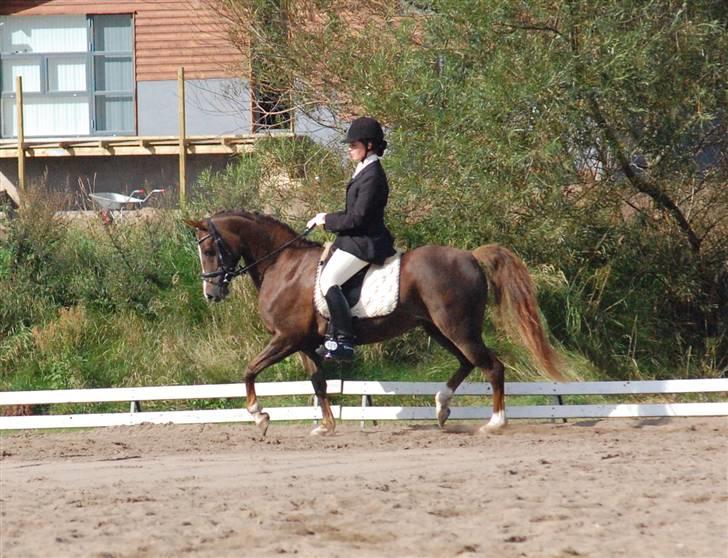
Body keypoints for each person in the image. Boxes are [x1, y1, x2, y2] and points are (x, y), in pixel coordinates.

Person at [307, 116, 396, 360]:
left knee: (329, 280)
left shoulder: (374, 176)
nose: (349, 148)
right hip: (355, 238)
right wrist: (326, 216)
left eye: (354, 144)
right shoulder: (364, 171)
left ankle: (345, 340)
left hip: (366, 242)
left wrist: (327, 220)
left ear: (369, 146)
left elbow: (357, 218)